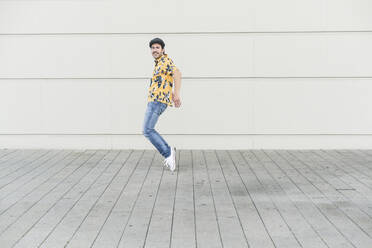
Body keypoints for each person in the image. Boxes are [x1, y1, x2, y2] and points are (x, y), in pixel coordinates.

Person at [142, 38, 182, 172]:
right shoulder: (159, 63)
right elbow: (166, 80)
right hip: (156, 100)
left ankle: (168, 153)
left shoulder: (165, 61)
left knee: (147, 130)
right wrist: (170, 93)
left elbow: (177, 73)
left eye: (157, 47)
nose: (155, 50)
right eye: (152, 48)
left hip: (157, 102)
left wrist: (176, 94)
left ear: (163, 50)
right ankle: (168, 152)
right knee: (148, 130)